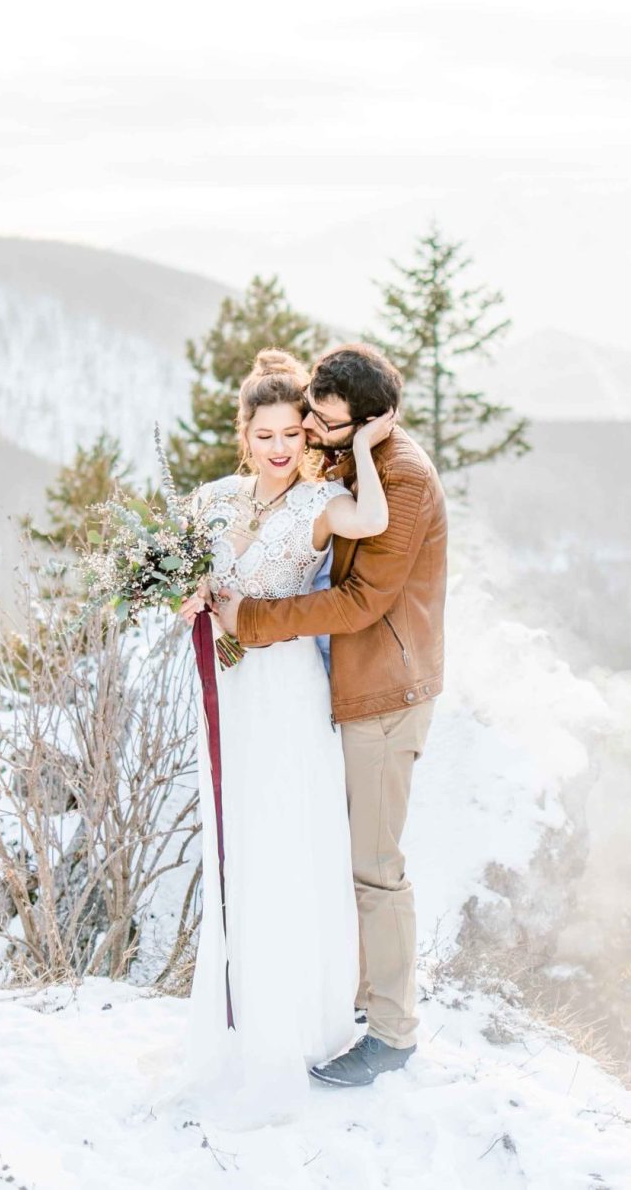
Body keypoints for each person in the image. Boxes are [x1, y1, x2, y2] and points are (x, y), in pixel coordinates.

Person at [214, 341, 448, 1088]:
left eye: (324, 421)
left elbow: (361, 601)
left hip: (386, 692)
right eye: (308, 411)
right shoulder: (355, 451)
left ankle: (391, 1033)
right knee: (334, 854)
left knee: (374, 870)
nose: (310, 430)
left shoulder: (402, 480)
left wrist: (249, 619)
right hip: (349, 687)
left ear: (372, 422)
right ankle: (345, 1000)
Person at [173, 348, 397, 1122]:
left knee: (283, 843)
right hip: (226, 693)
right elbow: (181, 583)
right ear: (245, 435)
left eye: (291, 435)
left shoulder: (317, 506)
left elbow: (374, 519)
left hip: (287, 695)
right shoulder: (209, 502)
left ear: (307, 438)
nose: (278, 448)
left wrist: (361, 447)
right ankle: (242, 1020)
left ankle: (294, 1022)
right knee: (238, 848)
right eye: (264, 434)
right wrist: (186, 596)